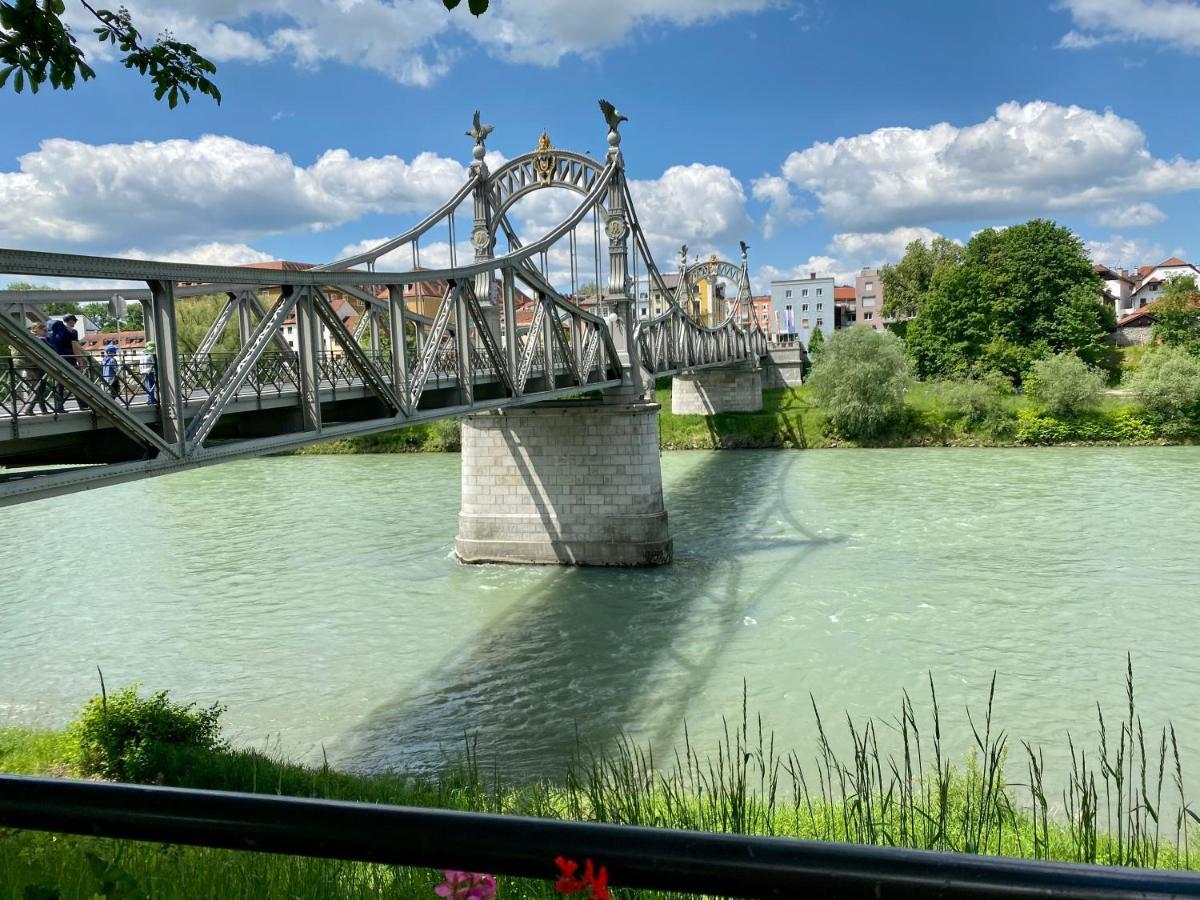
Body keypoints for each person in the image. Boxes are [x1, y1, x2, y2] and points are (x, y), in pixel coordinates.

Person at [14, 322, 51, 414]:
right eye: (45, 330)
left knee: (39, 388)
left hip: (27, 365)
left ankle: (43, 409)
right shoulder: (39, 339)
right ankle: (29, 409)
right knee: (39, 388)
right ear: (38, 329)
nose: (46, 332)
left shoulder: (27, 337)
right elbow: (50, 350)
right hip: (35, 365)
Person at [141, 340, 157, 405]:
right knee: (151, 385)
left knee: (148, 386)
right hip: (150, 372)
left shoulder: (143, 355)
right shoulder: (151, 355)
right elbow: (154, 364)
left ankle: (149, 399)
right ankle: (151, 399)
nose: (155, 349)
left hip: (144, 372)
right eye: (154, 347)